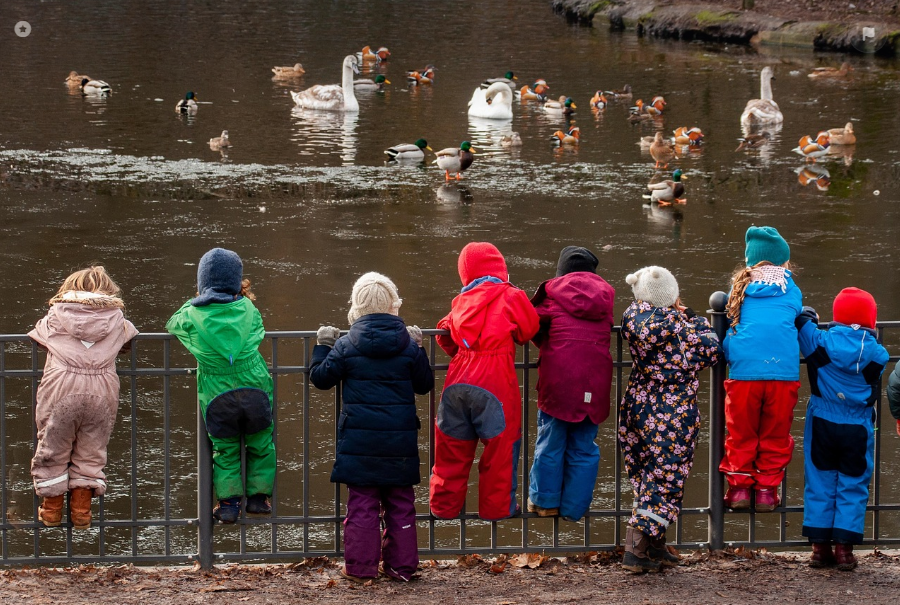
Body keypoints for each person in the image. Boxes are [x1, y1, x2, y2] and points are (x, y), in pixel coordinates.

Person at [310, 272, 433, 583]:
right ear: (394, 305)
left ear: (356, 307)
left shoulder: (347, 344)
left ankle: (361, 569)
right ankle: (401, 568)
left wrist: (323, 346)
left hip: (359, 440)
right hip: (399, 441)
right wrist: (418, 348)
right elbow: (424, 385)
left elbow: (321, 379)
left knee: (362, 504)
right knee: (401, 504)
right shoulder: (407, 345)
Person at [619, 266, 721, 573]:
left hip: (638, 405)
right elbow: (712, 349)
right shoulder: (681, 331)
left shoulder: (632, 318)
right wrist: (694, 316)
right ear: (671, 296)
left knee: (647, 474)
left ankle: (654, 543)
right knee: (667, 477)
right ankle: (636, 545)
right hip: (671, 412)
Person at [430, 242, 540, 521]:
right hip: (494, 379)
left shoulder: (459, 301)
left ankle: (442, 508)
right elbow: (529, 329)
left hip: (457, 379)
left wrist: (461, 351)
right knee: (499, 449)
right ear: (500, 268)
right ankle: (496, 510)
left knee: (450, 448)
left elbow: (443, 332)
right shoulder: (511, 296)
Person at [166, 248, 275, 524]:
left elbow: (172, 324)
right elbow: (259, 331)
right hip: (255, 384)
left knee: (224, 449)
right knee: (261, 442)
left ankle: (228, 505)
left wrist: (195, 301)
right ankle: (259, 499)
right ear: (237, 283)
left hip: (216, 391)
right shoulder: (249, 308)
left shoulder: (191, 315)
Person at [30, 266, 138, 529]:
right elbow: (128, 340)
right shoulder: (118, 320)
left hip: (61, 386)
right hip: (102, 389)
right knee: (92, 450)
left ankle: (52, 509)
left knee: (52, 445)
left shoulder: (56, 316)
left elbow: (38, 337)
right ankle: (81, 512)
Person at [798, 288, 889, 571]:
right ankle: (844, 551)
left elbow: (802, 323)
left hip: (823, 420)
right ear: (871, 322)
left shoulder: (820, 343)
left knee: (820, 481)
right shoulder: (878, 355)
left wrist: (811, 315)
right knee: (853, 484)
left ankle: (818, 548)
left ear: (837, 317)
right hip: (858, 426)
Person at [527, 246, 615, 522]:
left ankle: (545, 503)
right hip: (595, 383)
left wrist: (546, 344)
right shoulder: (605, 298)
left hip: (559, 382)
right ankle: (574, 509)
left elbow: (531, 324)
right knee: (584, 446)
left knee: (551, 441)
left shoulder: (552, 295)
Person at [719, 226, 802, 511]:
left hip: (743, 374)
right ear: (783, 261)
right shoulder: (791, 289)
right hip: (783, 375)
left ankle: (739, 489)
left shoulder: (739, 289)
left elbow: (732, 328)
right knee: (775, 434)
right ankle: (767, 490)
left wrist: (732, 355)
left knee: (740, 432)